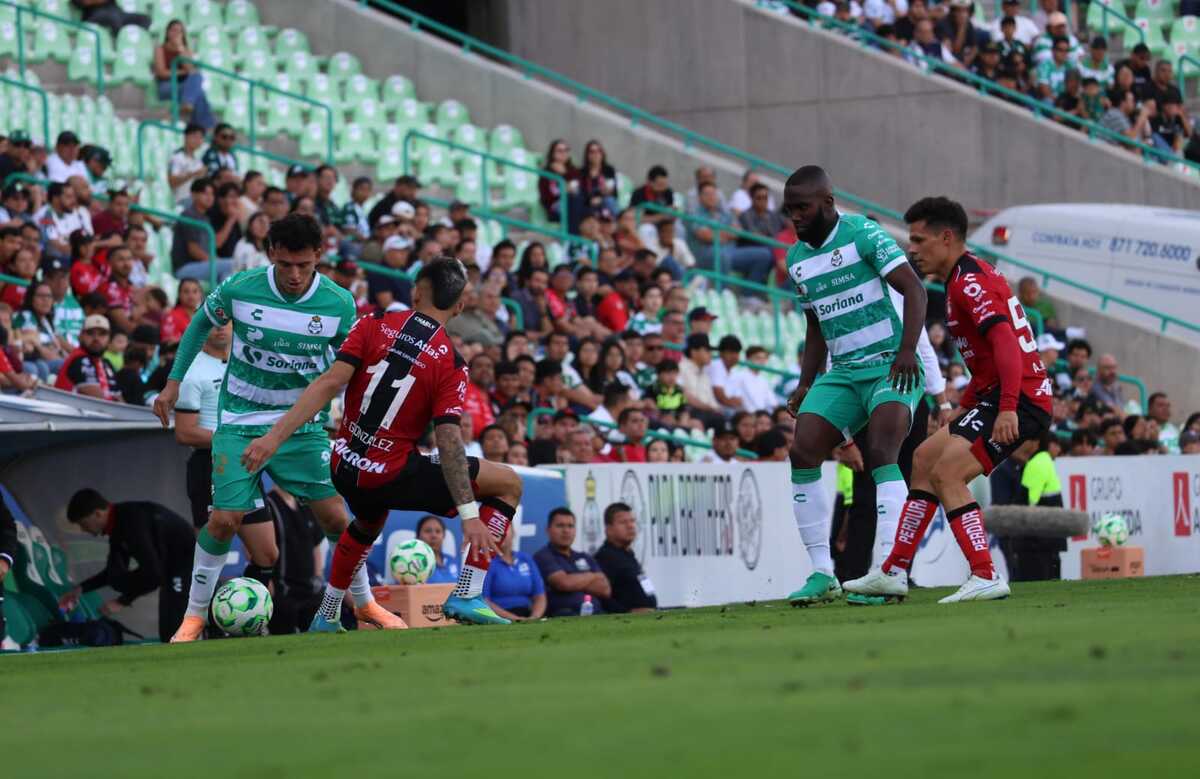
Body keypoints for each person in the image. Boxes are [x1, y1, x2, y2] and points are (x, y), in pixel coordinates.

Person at [153, 213, 401, 641]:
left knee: (337, 520)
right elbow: (198, 324)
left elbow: (350, 371)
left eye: (304, 265)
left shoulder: (339, 304)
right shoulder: (240, 288)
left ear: (319, 257)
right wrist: (174, 382)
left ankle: (364, 604)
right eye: (286, 264)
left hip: (302, 428)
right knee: (224, 520)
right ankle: (193, 619)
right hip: (240, 423)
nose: (294, 274)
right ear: (271, 254)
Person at [239, 257, 525, 628]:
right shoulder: (451, 364)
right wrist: (469, 514)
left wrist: (274, 438)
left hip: (343, 464)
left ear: (417, 291)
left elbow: (328, 383)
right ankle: (468, 591)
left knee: (368, 522)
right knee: (508, 483)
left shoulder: (373, 323)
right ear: (459, 306)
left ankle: (326, 615)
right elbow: (450, 439)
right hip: (389, 472)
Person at [848, 197, 1052, 604]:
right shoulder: (963, 279)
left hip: (1020, 400)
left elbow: (1006, 346)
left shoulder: (969, 282)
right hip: (998, 396)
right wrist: (966, 403)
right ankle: (893, 571)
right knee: (924, 459)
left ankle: (985, 573)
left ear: (946, 238)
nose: (912, 249)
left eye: (919, 240)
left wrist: (1008, 406)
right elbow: (987, 360)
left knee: (947, 474)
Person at [781, 166, 926, 606]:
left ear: (828, 202)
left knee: (883, 452)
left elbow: (916, 290)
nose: (796, 218)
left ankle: (891, 570)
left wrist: (905, 350)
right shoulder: (797, 259)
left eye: (802, 208)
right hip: (843, 371)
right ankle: (823, 573)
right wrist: (807, 382)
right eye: (790, 211)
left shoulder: (862, 233)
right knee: (802, 450)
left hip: (890, 364)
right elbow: (815, 324)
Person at [174, 320, 278, 590]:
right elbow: (184, 433)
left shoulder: (247, 363)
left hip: (244, 465)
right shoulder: (192, 371)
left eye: (226, 322)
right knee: (209, 558)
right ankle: (204, 621)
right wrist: (232, 441)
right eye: (213, 323)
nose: (220, 328)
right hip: (209, 465)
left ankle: (249, 614)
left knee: (267, 554)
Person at [61, 489, 195, 643]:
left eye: (83, 524)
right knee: (118, 578)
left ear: (97, 514)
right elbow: (112, 573)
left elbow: (154, 574)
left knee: (174, 631)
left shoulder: (131, 522)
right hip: (168, 569)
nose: (84, 530)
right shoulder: (117, 525)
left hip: (186, 564)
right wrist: (80, 589)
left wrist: (122, 601)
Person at [534, 507, 611, 617]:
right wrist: (592, 576)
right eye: (560, 526)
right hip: (563, 614)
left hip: (596, 612)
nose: (566, 531)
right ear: (548, 530)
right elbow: (563, 583)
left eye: (570, 526)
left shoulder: (585, 557)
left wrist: (573, 581)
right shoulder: (543, 556)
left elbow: (605, 589)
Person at [593, 502, 657, 614]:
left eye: (632, 521)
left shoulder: (628, 555)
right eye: (623, 522)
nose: (630, 526)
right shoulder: (605, 557)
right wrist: (628, 612)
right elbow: (601, 595)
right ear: (609, 529)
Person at [153, 20, 215, 130]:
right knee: (198, 92)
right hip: (166, 86)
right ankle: (206, 127)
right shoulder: (160, 49)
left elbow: (191, 70)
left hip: (184, 86)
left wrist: (180, 49)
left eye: (180, 31)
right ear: (167, 32)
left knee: (198, 81)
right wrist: (182, 72)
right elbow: (161, 73)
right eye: (174, 30)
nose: (176, 34)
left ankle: (188, 106)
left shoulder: (185, 50)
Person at [482, 524, 546, 621]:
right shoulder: (487, 561)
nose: (501, 533)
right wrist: (515, 619)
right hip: (500, 618)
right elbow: (484, 601)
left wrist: (534, 617)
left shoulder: (525, 558)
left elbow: (539, 595)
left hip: (528, 614)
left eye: (505, 528)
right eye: (497, 529)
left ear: (513, 532)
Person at [55, 314, 119, 400]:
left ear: (109, 339)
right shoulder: (78, 360)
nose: (96, 338)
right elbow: (97, 398)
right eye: (90, 333)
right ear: (80, 336)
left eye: (102, 334)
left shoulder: (107, 364)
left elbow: (118, 397)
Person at [416, 515, 461, 585]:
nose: (434, 535)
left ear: (444, 536)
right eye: (428, 531)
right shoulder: (413, 563)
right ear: (418, 536)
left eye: (438, 531)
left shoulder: (452, 560)